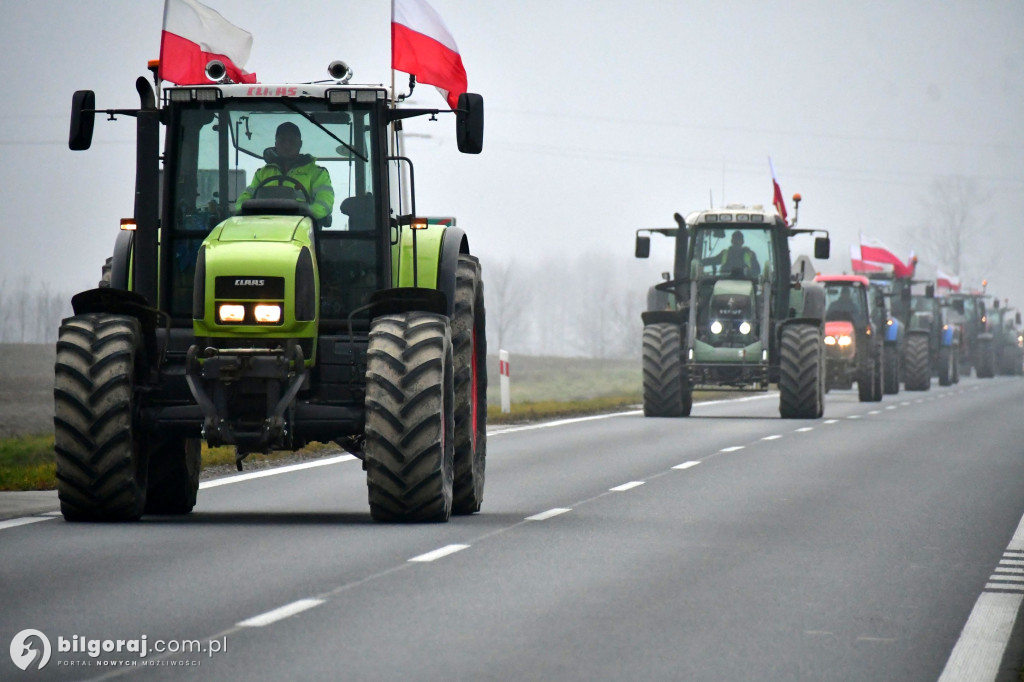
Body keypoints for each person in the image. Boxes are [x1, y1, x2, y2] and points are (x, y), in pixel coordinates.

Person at [236, 122, 334, 221]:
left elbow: (324, 204)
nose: (287, 145)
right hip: (263, 228)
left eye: (292, 141)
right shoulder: (262, 174)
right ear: (276, 144)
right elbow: (243, 202)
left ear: (300, 144)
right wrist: (247, 211)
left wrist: (304, 214)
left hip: (302, 230)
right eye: (282, 140)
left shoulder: (317, 174)